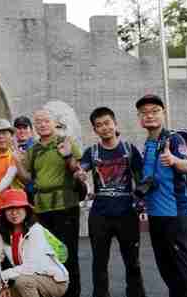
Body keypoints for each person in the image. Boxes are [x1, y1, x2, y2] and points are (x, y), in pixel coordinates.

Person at [14, 107, 84, 297]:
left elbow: (77, 169)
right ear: (34, 126)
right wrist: (17, 162)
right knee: (47, 255)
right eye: (38, 122)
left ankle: (72, 293)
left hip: (66, 205)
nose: (42, 124)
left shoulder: (65, 142)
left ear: (54, 123)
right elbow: (27, 179)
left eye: (46, 121)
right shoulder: (33, 149)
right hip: (42, 209)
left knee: (68, 254)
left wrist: (68, 155)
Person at [79, 107, 146, 297]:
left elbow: (142, 179)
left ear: (115, 124)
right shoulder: (91, 152)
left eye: (107, 123)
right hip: (100, 215)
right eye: (99, 125)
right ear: (95, 130)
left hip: (127, 214)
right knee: (99, 262)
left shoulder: (129, 149)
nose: (104, 128)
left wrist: (140, 201)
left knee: (132, 261)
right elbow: (81, 169)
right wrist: (79, 172)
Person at [135, 94, 187, 297]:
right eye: (144, 113)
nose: (149, 116)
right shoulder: (148, 143)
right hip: (156, 214)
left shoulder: (174, 139)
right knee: (166, 268)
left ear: (163, 113)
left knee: (182, 269)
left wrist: (173, 160)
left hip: (176, 214)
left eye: (154, 111)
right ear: (139, 118)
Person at [0, 189, 69, 297]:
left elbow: (31, 267)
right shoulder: (3, 232)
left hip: (54, 281)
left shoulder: (36, 230)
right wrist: (1, 287)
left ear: (26, 210)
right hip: (26, 277)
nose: (14, 212)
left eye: (18, 207)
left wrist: (4, 275)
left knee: (23, 282)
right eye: (9, 209)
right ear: (4, 213)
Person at [0, 119, 19, 235]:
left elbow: (9, 177)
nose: (1, 137)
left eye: (4, 133)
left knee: (10, 248)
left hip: (10, 211)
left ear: (11, 136)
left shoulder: (15, 156)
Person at [13, 116, 36, 201]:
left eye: (25, 128)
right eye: (19, 128)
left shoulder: (36, 147)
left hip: (33, 192)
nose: (22, 131)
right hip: (16, 194)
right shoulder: (9, 148)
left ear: (31, 130)